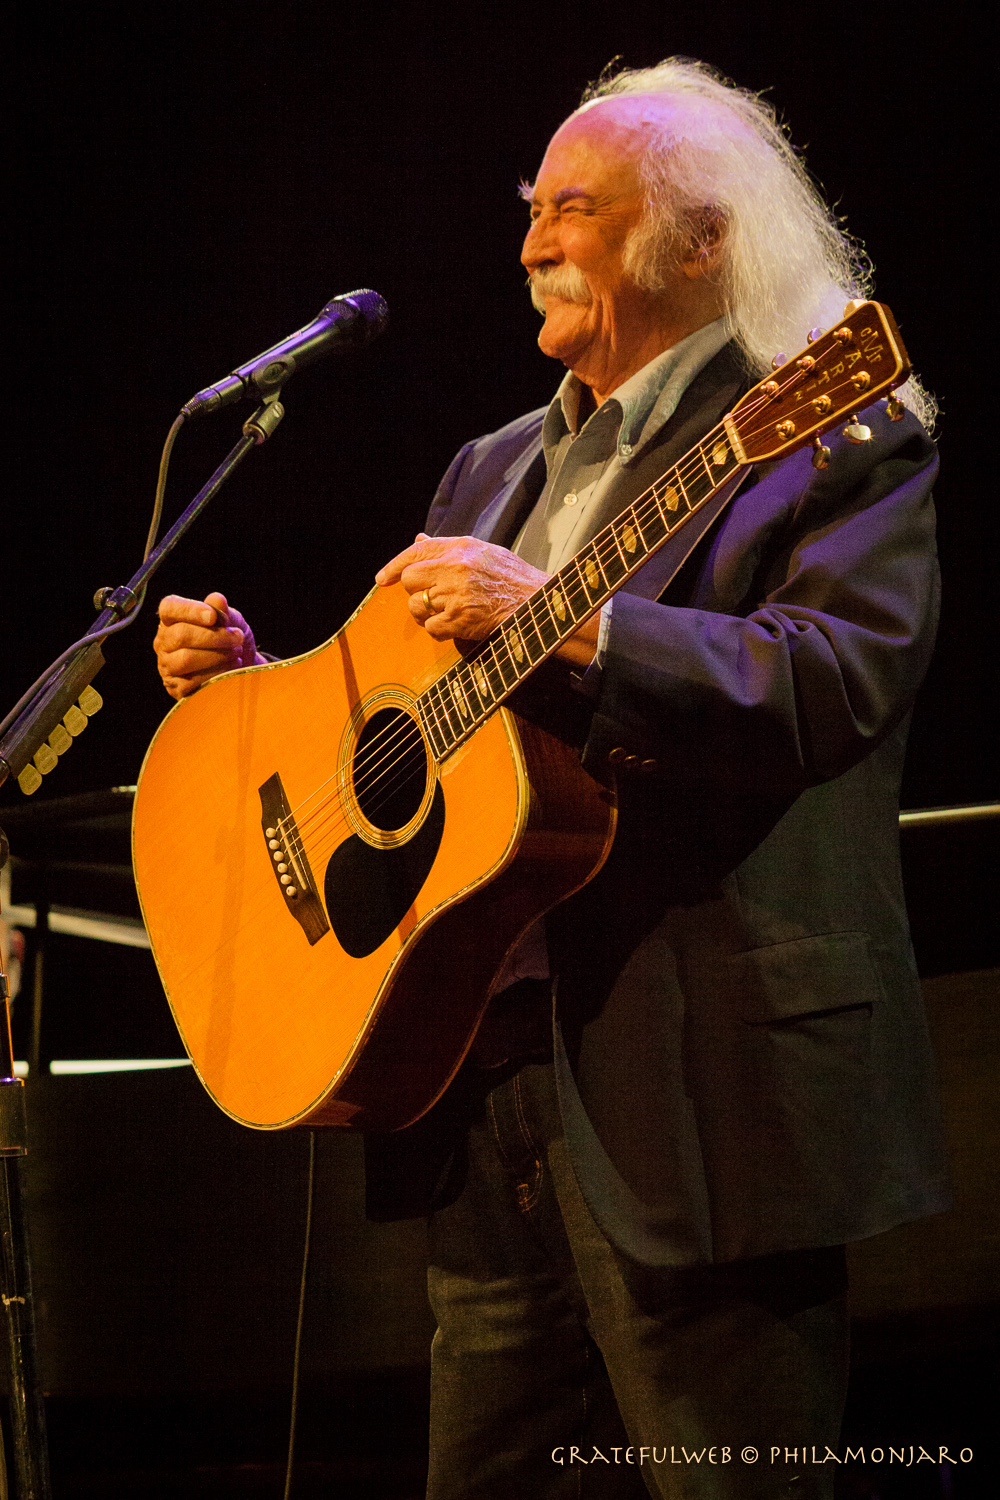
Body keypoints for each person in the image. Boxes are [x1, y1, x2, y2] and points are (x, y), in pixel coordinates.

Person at [153, 59, 948, 1500]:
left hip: (702, 1084)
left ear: (702, 238)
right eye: (531, 207)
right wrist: (258, 694)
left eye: (570, 206)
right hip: (482, 1074)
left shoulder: (822, 427)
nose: (529, 241)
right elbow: (425, 723)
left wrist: (572, 619)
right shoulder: (492, 464)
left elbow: (837, 680)